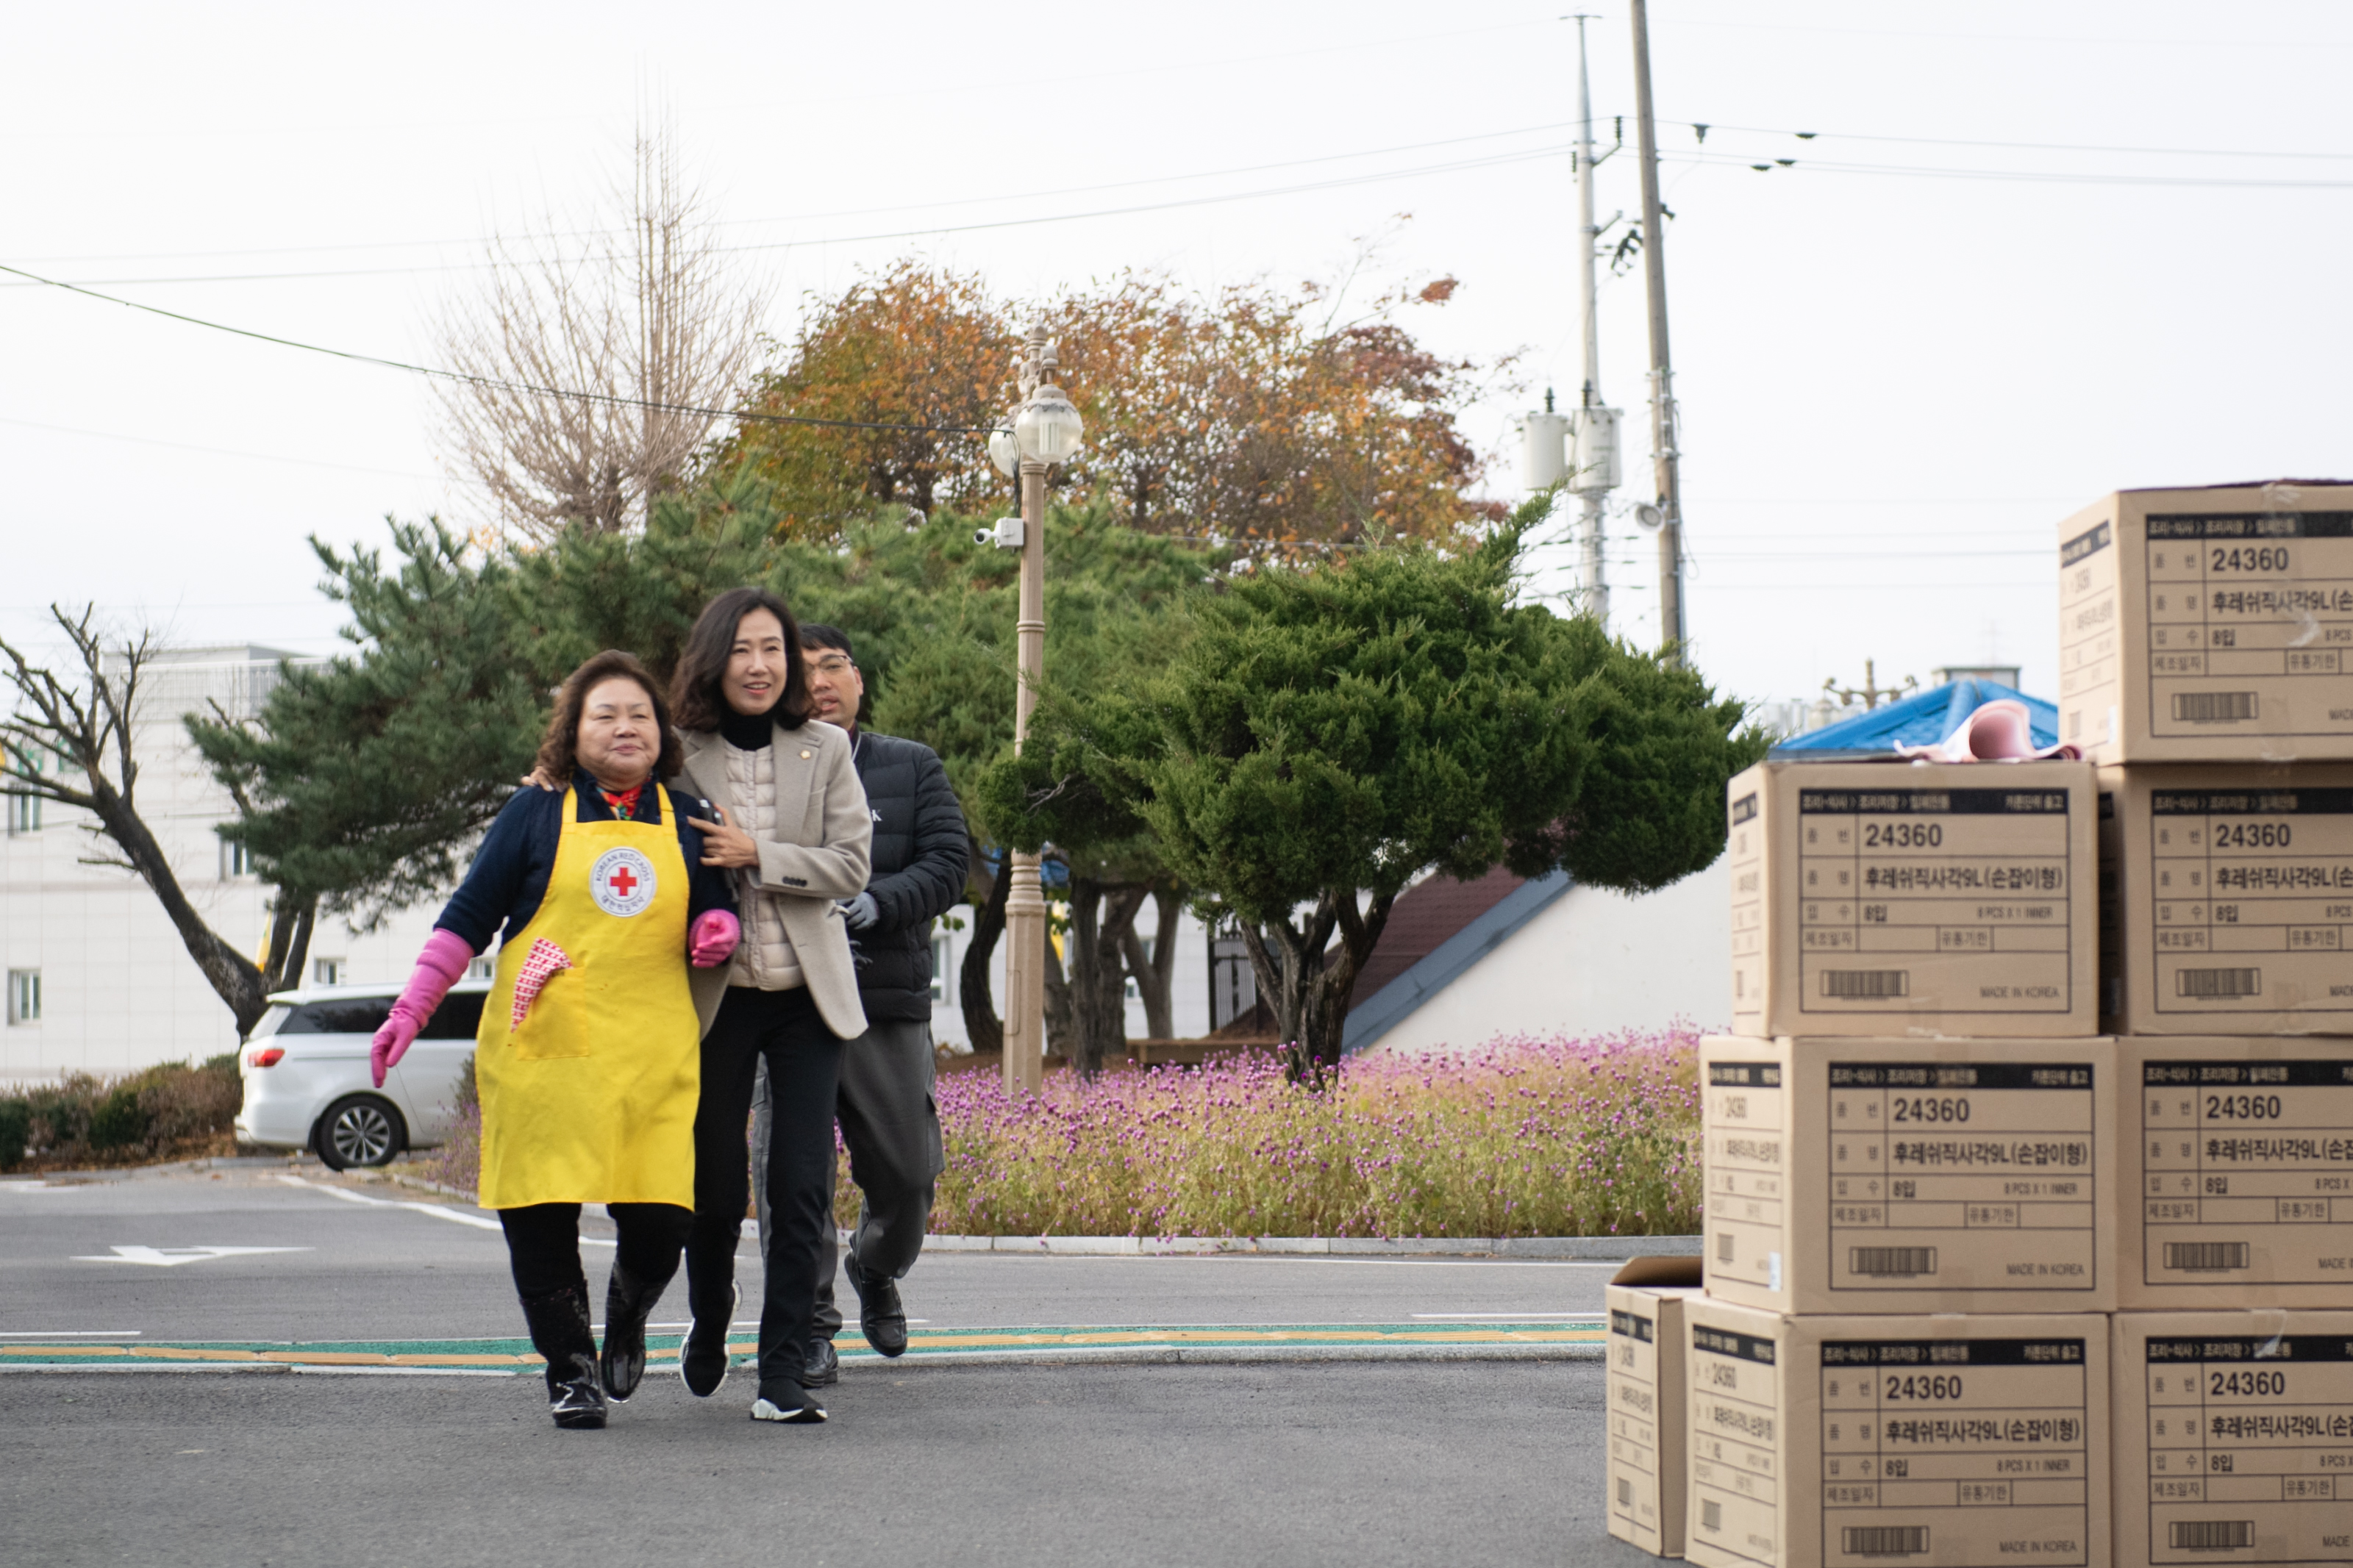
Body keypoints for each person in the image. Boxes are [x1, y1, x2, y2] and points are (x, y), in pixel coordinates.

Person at [371, 651, 740, 1431]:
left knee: (664, 1217)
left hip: (651, 1055)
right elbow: (466, 919)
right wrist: (410, 1009)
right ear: (572, 733)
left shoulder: (686, 813)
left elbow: (714, 901)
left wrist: (715, 927)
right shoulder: (533, 813)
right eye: (604, 715)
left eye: (639, 714)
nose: (624, 727)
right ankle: (570, 1368)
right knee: (539, 1217)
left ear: (661, 731)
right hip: (546, 1047)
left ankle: (629, 1305)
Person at [669, 587, 874, 1424]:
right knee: (715, 1189)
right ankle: (710, 1312)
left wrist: (763, 855)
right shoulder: (678, 752)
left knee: (800, 1187)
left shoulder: (822, 747)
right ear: (715, 659)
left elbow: (851, 866)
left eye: (773, 650)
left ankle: (782, 1369)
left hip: (805, 999)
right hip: (715, 999)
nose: (759, 666)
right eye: (743, 650)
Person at [751, 624, 967, 1386]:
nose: (819, 681)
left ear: (859, 679)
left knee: (908, 1177)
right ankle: (809, 1328)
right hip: (786, 1000)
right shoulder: (759, 769)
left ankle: (875, 1266)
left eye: (832, 665)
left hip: (882, 1001)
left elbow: (949, 864)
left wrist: (878, 904)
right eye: (801, 669)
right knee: (789, 1178)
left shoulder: (909, 766)